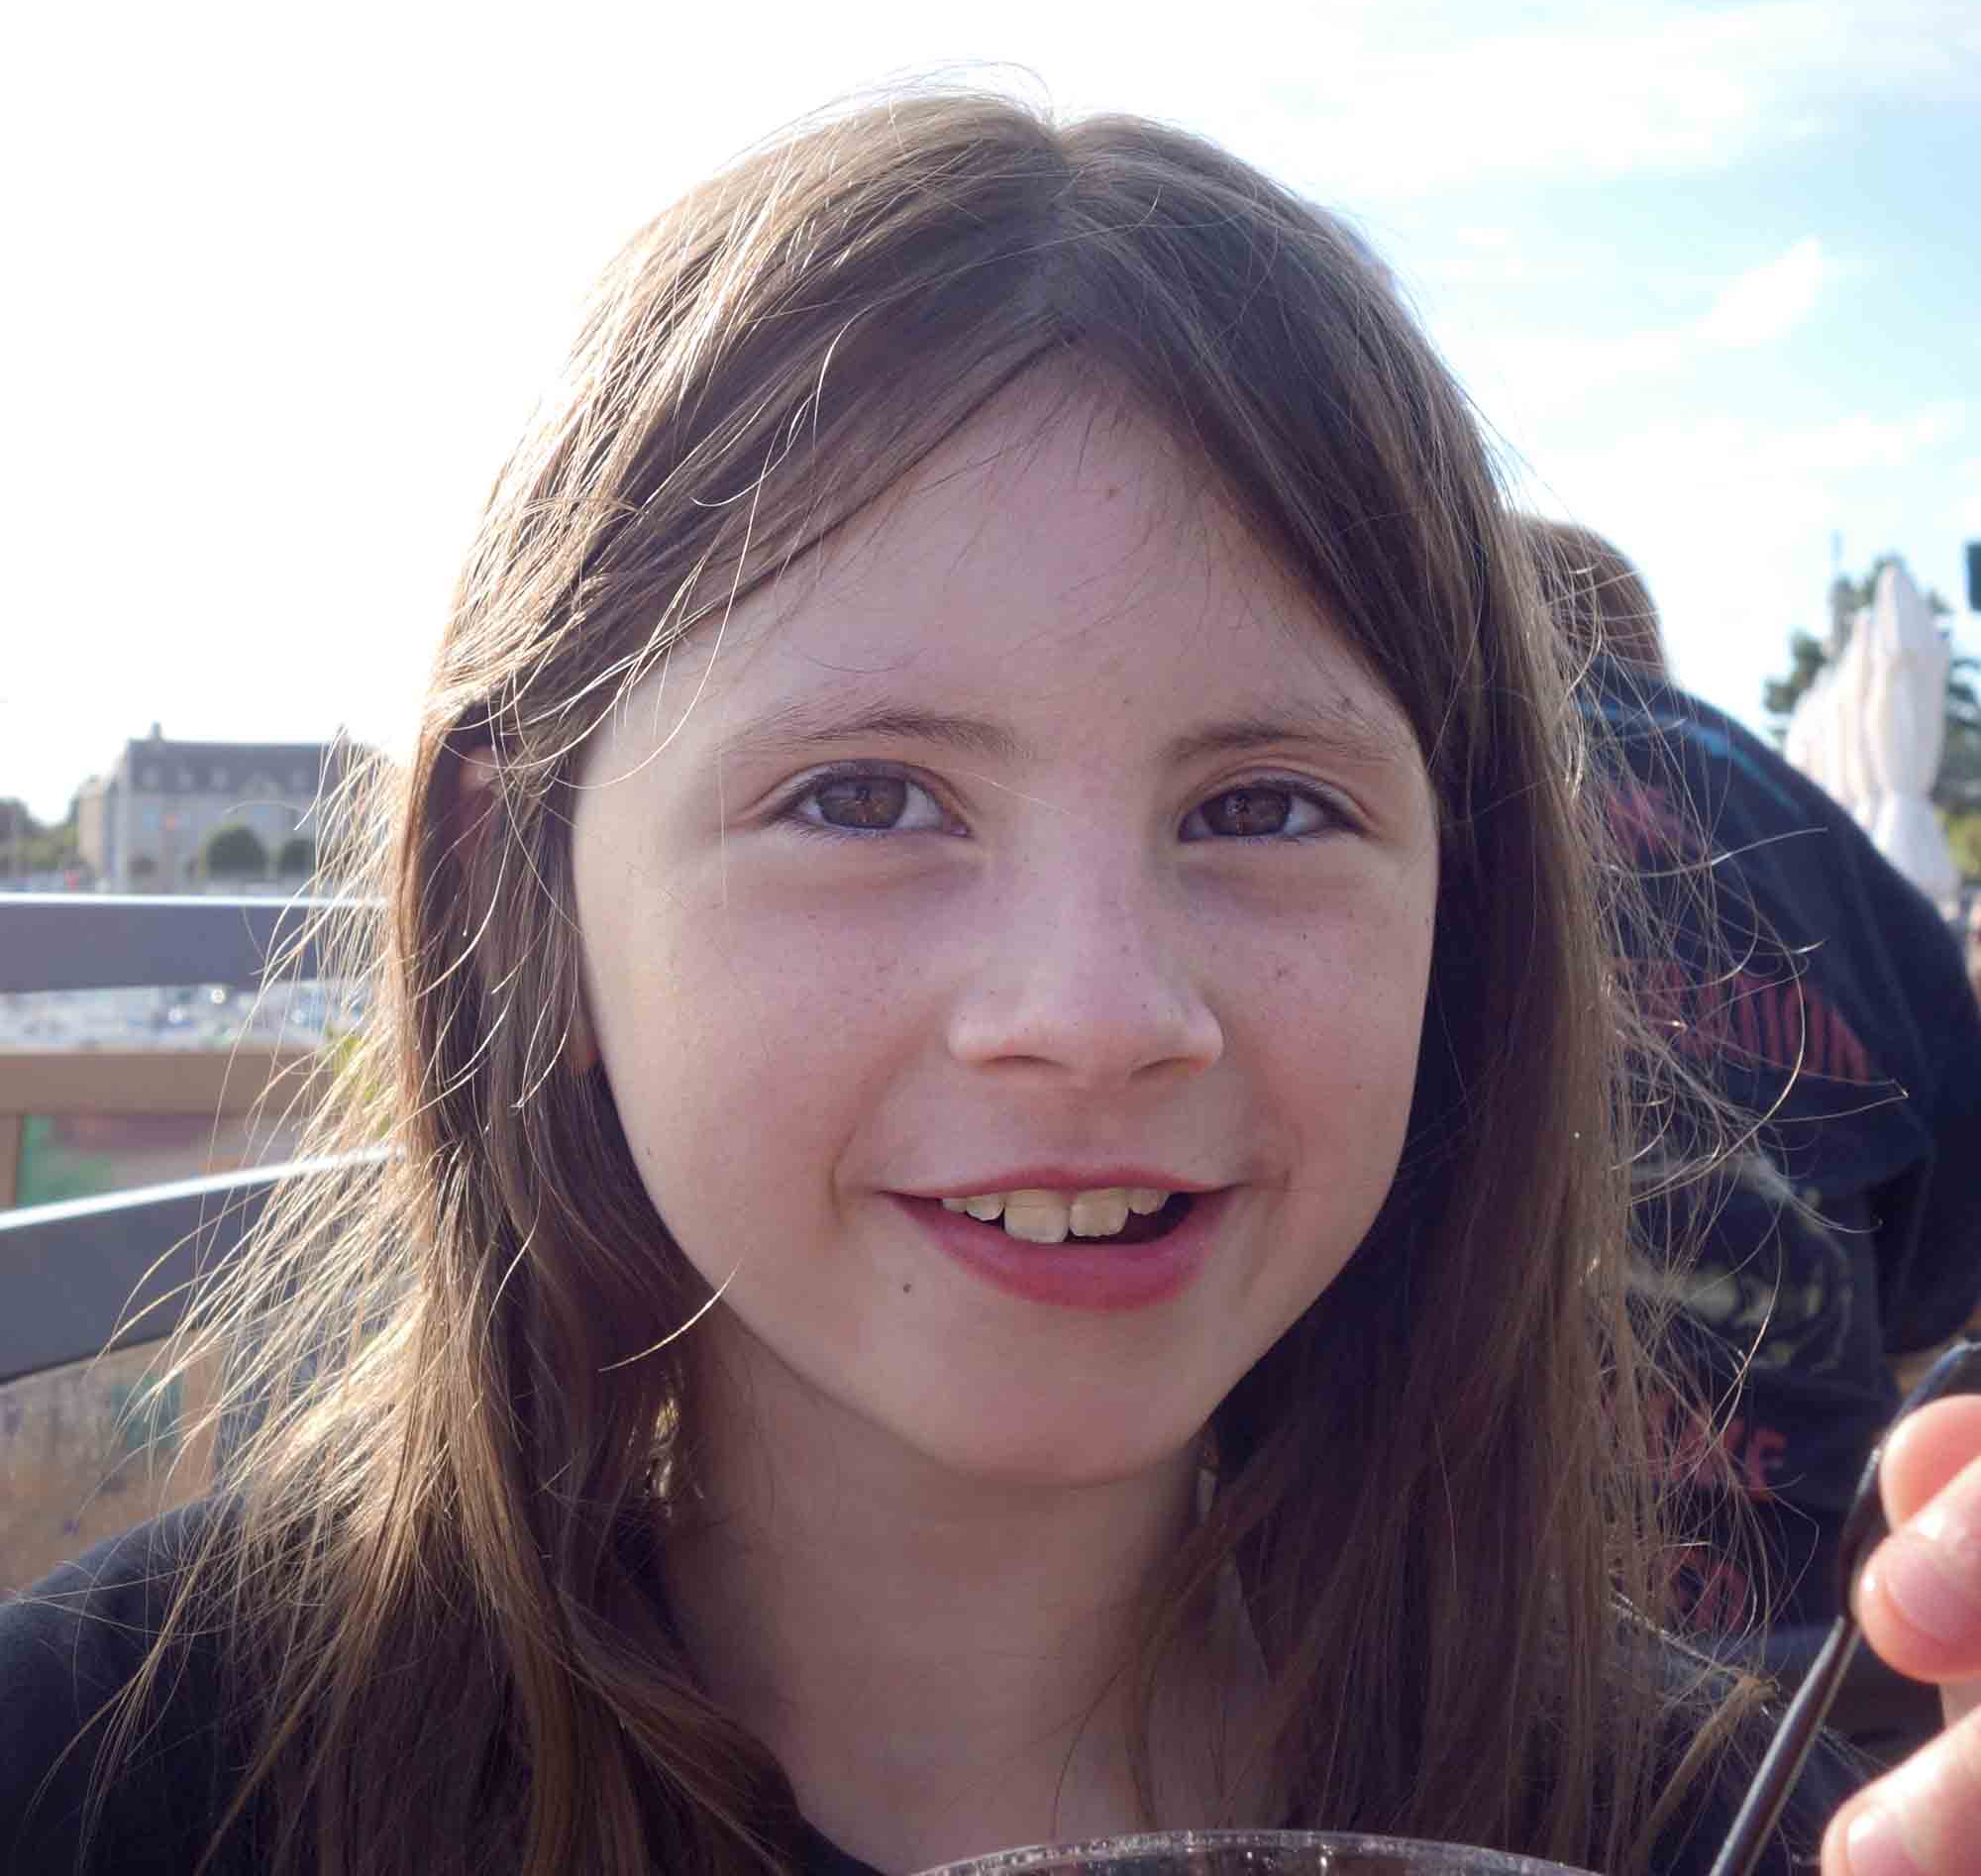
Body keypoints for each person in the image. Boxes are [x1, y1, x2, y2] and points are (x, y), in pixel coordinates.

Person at [4, 94, 1980, 1876]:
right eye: (864, 796)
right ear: (516, 901)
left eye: (1266, 807)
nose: (1099, 1011)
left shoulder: (1728, 1828)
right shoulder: (99, 1780)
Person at [1524, 520, 1981, 1660]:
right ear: (1643, 642)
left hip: (1434, 1618)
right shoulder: (1813, 830)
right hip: (1813, 1633)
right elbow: (1937, 1284)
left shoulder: (1390, 786)